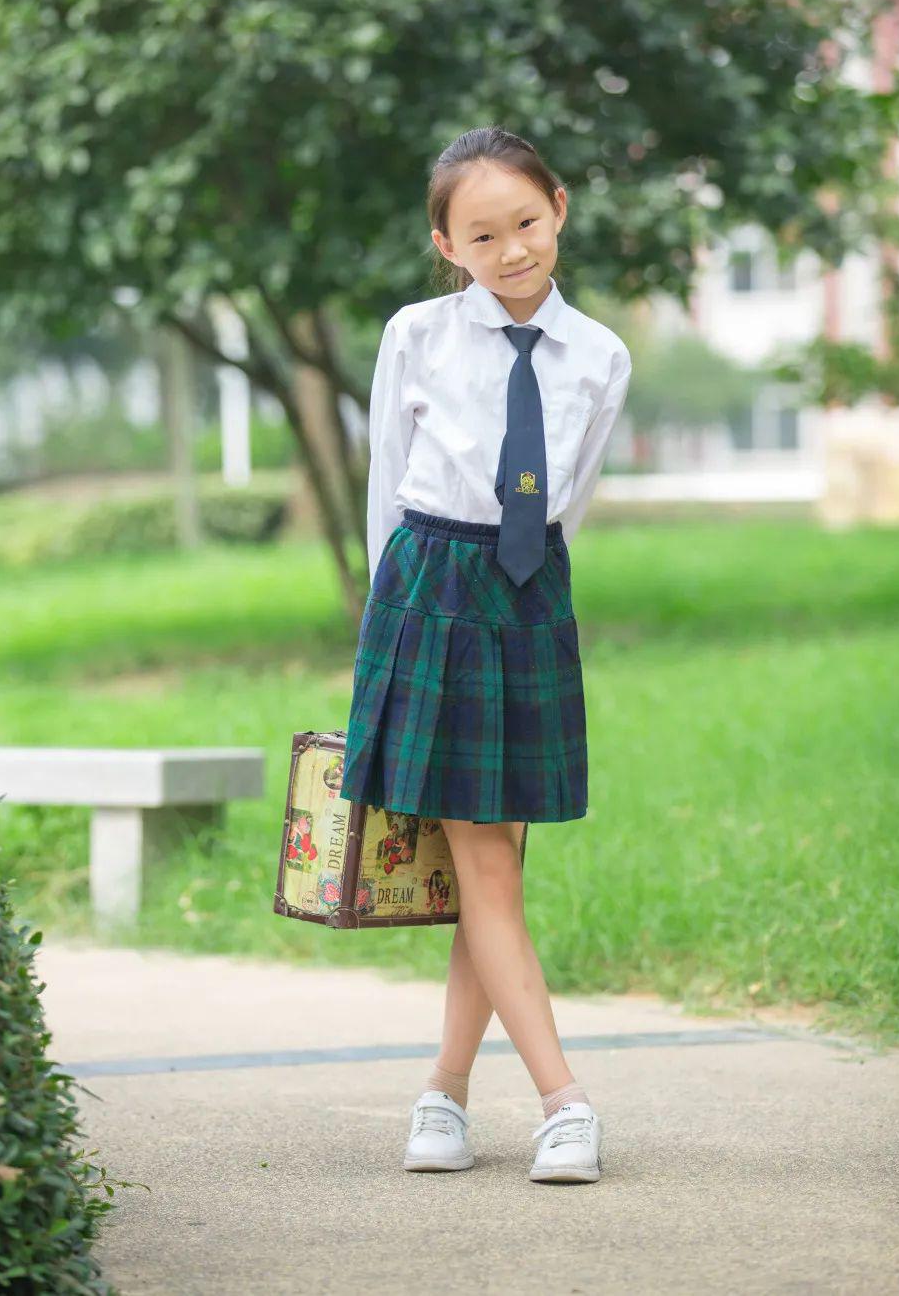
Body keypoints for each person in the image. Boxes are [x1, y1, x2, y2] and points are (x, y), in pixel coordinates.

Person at [339, 124, 633, 1185]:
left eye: (525, 222)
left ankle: (444, 1096)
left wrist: (539, 592)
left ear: (558, 207)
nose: (511, 248)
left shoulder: (601, 354)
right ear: (446, 243)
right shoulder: (416, 334)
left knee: (493, 863)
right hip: (430, 591)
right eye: (482, 234)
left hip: (529, 596)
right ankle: (565, 1102)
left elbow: (575, 494)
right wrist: (384, 627)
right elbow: (385, 482)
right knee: (488, 864)